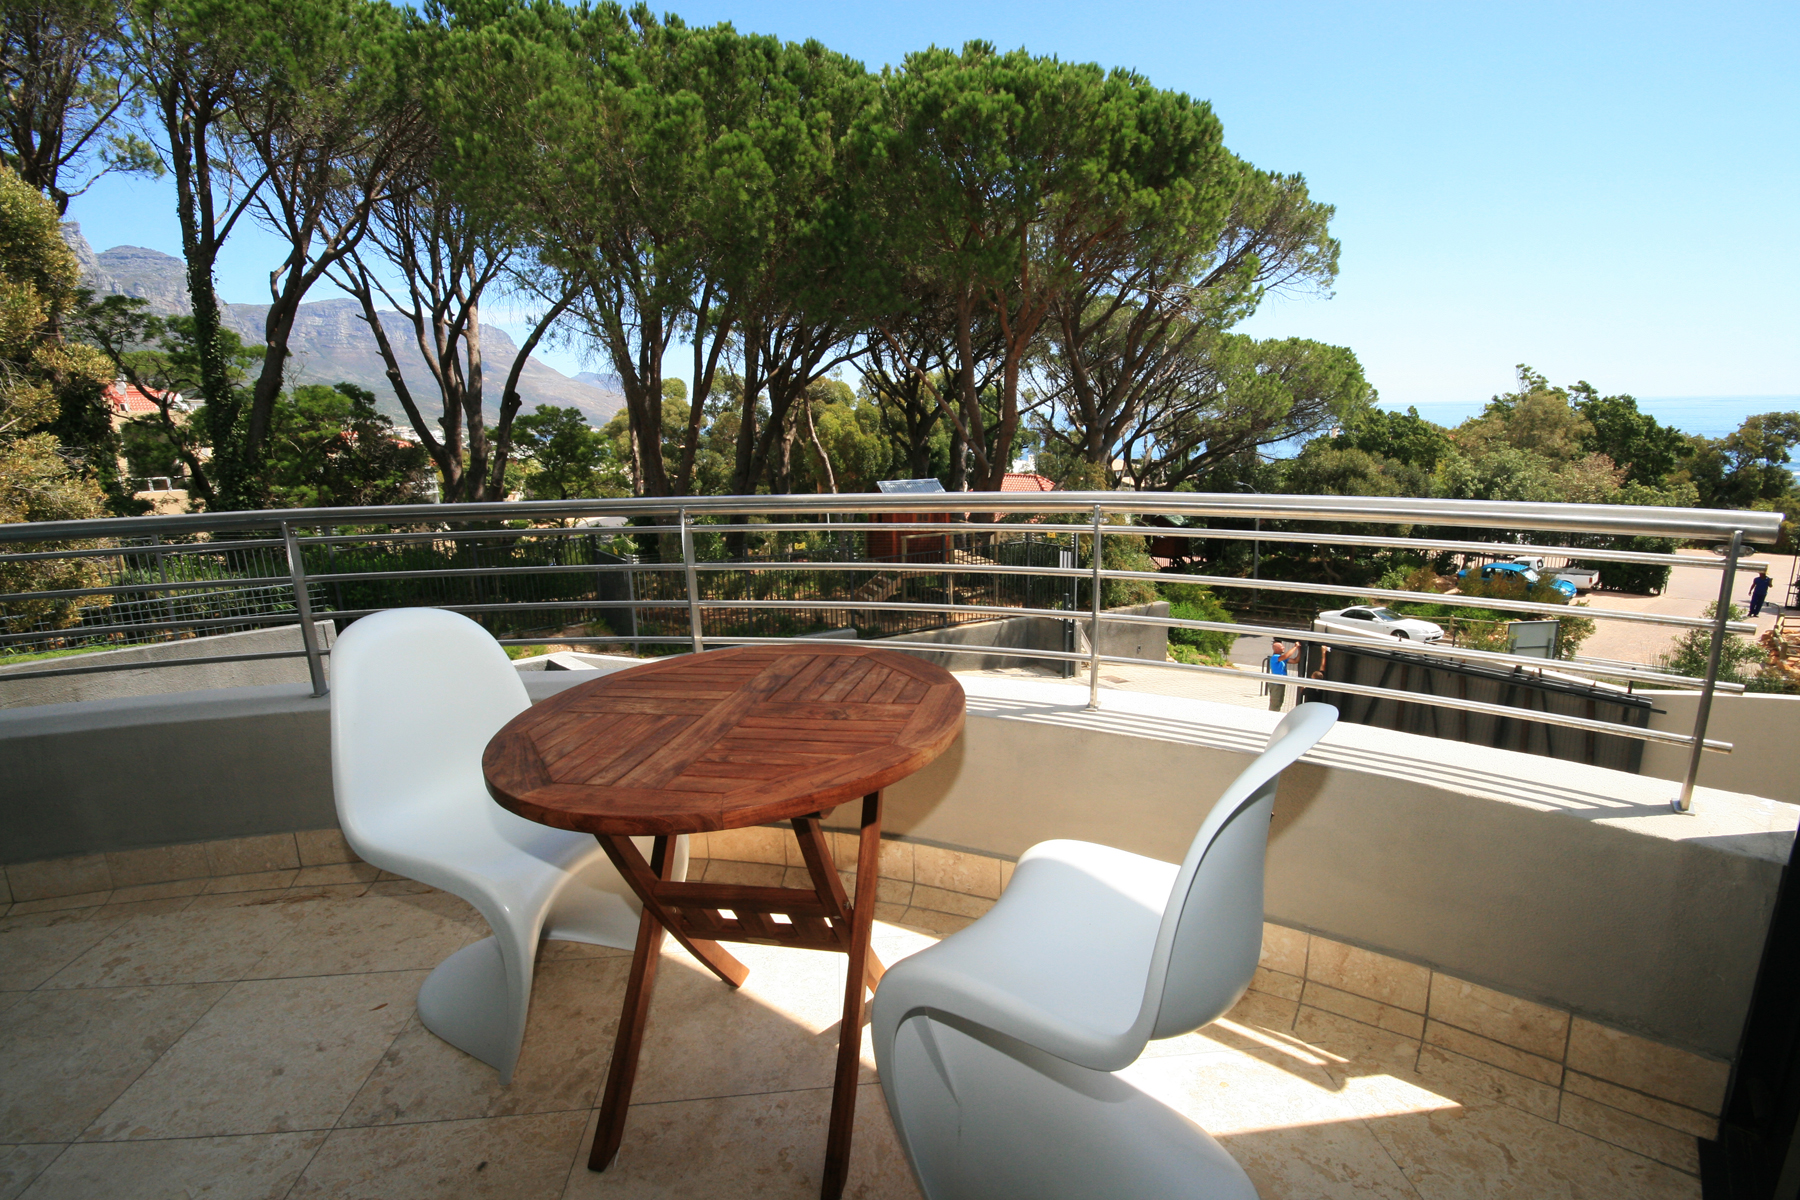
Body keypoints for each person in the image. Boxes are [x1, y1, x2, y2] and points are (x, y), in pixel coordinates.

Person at [1267, 639, 1300, 711]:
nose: (1284, 648)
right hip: (1276, 684)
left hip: (1281, 683)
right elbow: (1286, 656)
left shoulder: (1282, 658)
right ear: (1277, 649)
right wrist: (1295, 647)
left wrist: (1300, 650)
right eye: (1282, 647)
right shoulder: (1275, 657)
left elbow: (1295, 661)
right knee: (1275, 703)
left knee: (1279, 701)